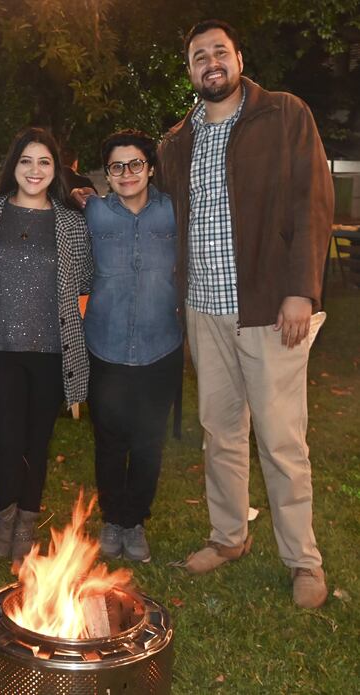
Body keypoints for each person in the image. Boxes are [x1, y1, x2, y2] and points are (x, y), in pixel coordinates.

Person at [158, 19, 333, 608]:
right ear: (189, 70)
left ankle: (303, 559)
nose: (210, 62)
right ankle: (228, 536)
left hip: (267, 307)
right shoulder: (177, 141)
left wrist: (300, 290)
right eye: (198, 56)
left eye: (219, 51)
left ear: (238, 58)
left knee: (281, 440)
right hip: (203, 309)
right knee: (221, 431)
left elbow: (312, 201)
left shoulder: (283, 114)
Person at [0, 127, 92, 563]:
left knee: (37, 442)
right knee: (4, 439)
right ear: (13, 166)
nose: (34, 170)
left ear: (56, 169)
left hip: (53, 350)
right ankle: (3, 515)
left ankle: (26, 521)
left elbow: (85, 278)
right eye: (26, 161)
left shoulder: (71, 221)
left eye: (44, 162)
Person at [84, 130, 183, 564]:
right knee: (109, 441)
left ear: (151, 168)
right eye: (117, 166)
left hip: (160, 345)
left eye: (136, 164)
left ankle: (135, 520)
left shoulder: (174, 211)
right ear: (107, 174)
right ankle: (112, 518)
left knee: (147, 442)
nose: (127, 173)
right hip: (105, 345)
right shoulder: (93, 212)